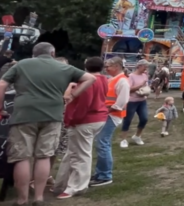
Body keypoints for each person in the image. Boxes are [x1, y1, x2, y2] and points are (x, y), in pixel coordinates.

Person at [0, 42, 96, 206]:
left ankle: (22, 199)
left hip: (24, 115)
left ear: (34, 53)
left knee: (22, 157)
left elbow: (2, 84)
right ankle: (39, 198)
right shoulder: (63, 67)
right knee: (44, 156)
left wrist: (1, 108)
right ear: (53, 53)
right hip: (52, 115)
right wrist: (74, 94)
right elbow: (90, 78)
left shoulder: (22, 64)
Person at [53, 56, 109, 199]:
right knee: (73, 152)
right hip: (97, 118)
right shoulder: (103, 79)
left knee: (81, 155)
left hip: (85, 121)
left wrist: (72, 120)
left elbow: (84, 105)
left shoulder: (87, 83)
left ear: (85, 66)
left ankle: (76, 186)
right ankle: (62, 183)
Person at [91, 57, 129, 187]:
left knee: (102, 143)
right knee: (102, 143)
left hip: (112, 115)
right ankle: (100, 172)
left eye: (108, 66)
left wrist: (108, 109)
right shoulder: (114, 79)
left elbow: (122, 101)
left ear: (117, 66)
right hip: (108, 113)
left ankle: (105, 175)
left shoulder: (122, 81)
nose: (105, 69)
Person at [120, 59, 151, 147]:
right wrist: (140, 85)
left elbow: (146, 86)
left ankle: (137, 136)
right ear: (139, 66)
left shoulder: (145, 75)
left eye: (147, 66)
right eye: (145, 66)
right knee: (128, 120)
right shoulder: (131, 76)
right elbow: (129, 89)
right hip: (132, 101)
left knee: (144, 118)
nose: (146, 68)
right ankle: (123, 140)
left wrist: (146, 91)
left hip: (142, 101)